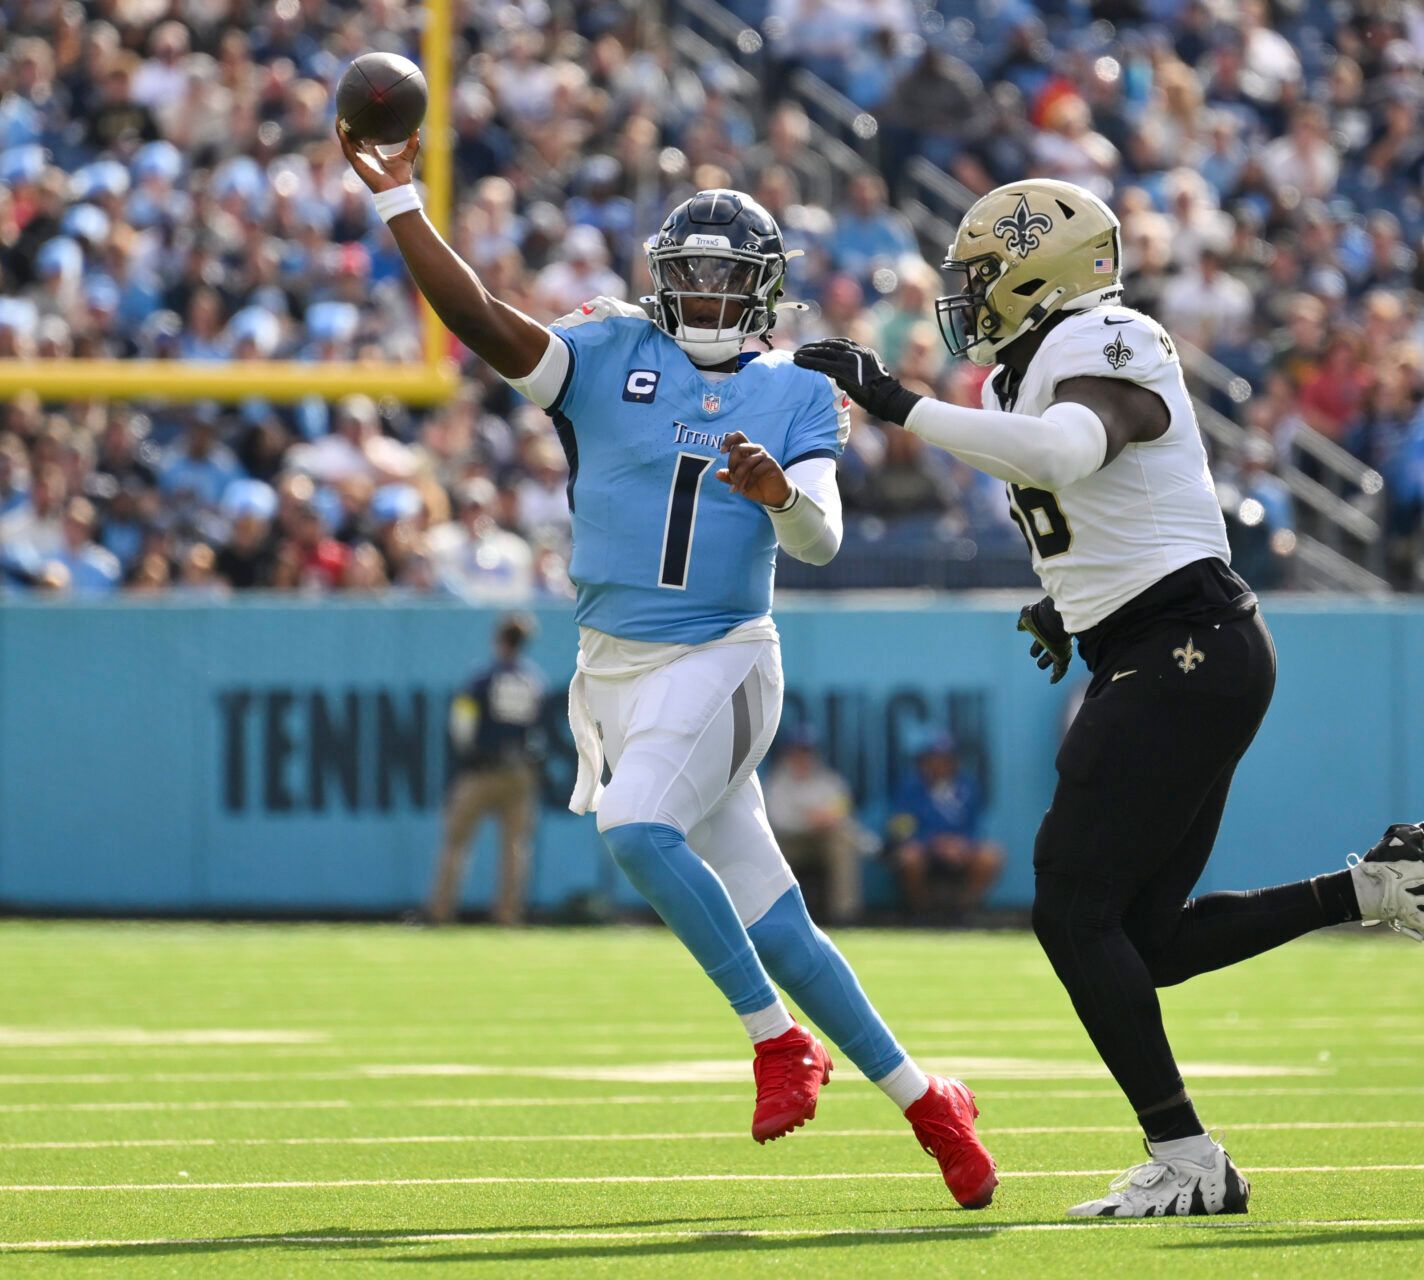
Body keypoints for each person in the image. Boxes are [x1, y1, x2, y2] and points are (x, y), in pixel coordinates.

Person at [795, 178, 1424, 1219]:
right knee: (1142, 936)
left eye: (984, 275)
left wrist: (898, 401)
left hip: (1186, 643)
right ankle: (1376, 885)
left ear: (1046, 269)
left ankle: (1187, 1154)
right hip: (1162, 644)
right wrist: (1061, 599)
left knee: (1070, 907)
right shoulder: (1016, 376)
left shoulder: (1112, 337)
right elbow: (1097, 507)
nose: (969, 296)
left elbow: (1072, 451)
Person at [341, 129, 995, 1208]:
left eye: (724, 277)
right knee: (781, 922)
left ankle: (777, 1041)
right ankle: (931, 1103)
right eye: (685, 272)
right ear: (659, 276)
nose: (700, 292)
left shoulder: (790, 388)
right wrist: (402, 201)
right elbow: (476, 321)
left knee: (635, 830)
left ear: (763, 291)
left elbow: (824, 536)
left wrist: (779, 492)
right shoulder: (602, 354)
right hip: (613, 667)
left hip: (725, 653)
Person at [428, 612, 547, 926]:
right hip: (520, 771)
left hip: (482, 770)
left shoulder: (483, 677)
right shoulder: (532, 680)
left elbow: (461, 724)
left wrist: (465, 755)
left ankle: (442, 911)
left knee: (456, 841)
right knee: (515, 848)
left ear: (498, 639)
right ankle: (508, 913)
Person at [886, 734, 1003, 923]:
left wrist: (961, 844)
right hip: (925, 849)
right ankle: (922, 912)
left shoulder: (967, 787)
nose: (940, 765)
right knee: (909, 857)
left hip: (959, 849)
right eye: (934, 760)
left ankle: (962, 912)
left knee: (991, 856)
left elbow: (977, 826)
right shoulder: (909, 788)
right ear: (924, 762)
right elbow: (900, 829)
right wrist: (933, 842)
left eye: (946, 760)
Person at [762, 728, 871, 924]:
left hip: (823, 840)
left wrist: (823, 819)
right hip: (788, 843)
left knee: (841, 842)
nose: (803, 757)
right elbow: (779, 822)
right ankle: (773, 917)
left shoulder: (829, 780)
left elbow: (842, 811)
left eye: (807, 751)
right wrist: (810, 820)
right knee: (770, 853)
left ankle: (845, 916)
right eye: (798, 751)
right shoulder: (777, 781)